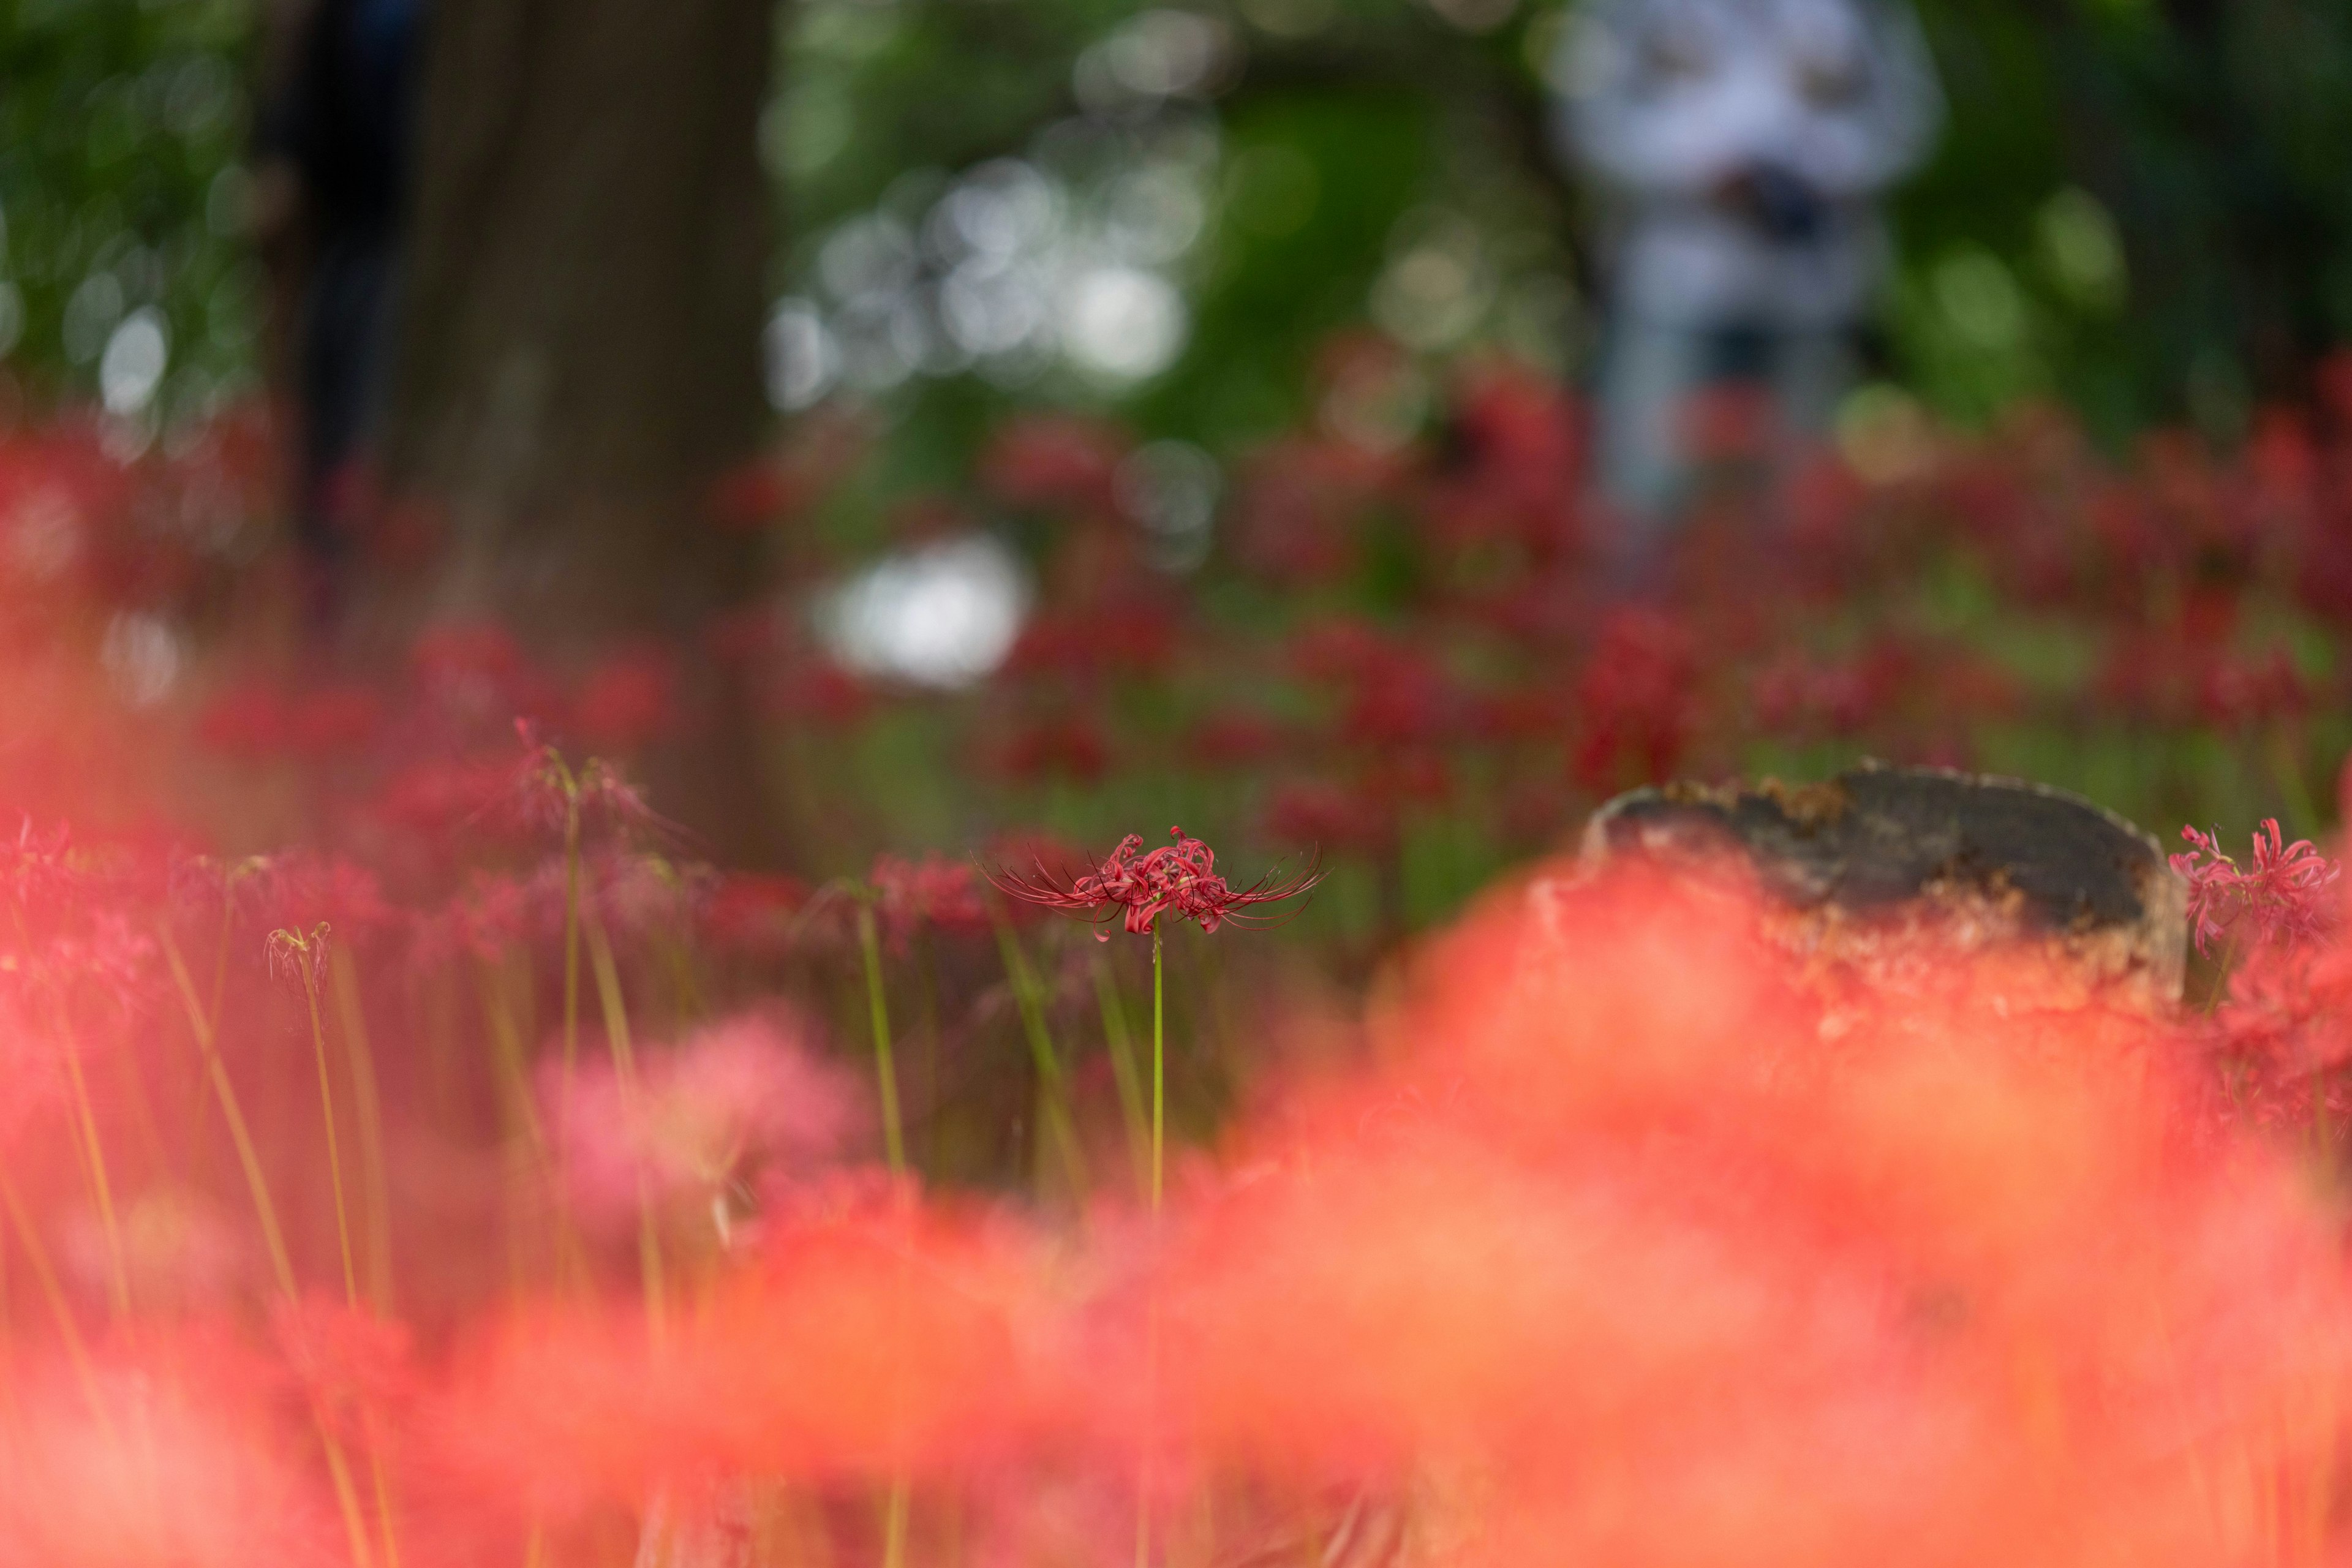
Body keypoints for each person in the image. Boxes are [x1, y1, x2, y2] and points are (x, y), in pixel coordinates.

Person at [1553, 0, 1942, 551]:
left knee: (1799, 499)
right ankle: (1632, 628)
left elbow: (1910, 119)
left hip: (1812, 290)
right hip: (1674, 287)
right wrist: (1696, 174)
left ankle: (1781, 629)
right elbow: (1588, 122)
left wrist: (1821, 171)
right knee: (1644, 498)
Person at [251, 0, 424, 626]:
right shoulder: (330, 20)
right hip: (351, 250)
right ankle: (331, 606)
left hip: (393, 247)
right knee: (334, 439)